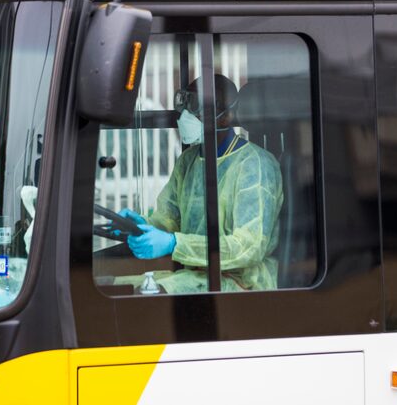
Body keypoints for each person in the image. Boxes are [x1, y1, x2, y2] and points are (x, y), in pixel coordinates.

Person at [119, 75, 283, 294]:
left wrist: (174, 244)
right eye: (185, 105)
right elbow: (169, 219)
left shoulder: (255, 165)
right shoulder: (189, 161)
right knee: (119, 286)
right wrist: (141, 226)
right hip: (198, 276)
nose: (186, 115)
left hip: (242, 283)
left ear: (228, 115)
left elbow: (248, 247)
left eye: (197, 106)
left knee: (145, 296)